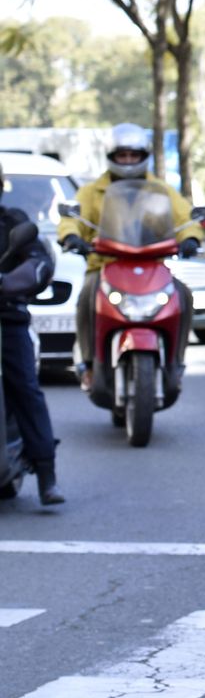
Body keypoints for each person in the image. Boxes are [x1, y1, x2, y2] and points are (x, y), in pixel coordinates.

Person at [56, 124, 203, 387]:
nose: (128, 161)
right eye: (122, 155)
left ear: (143, 155)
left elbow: (185, 218)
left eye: (133, 155)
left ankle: (176, 362)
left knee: (183, 295)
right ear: (112, 157)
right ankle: (89, 364)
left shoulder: (161, 189)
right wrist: (71, 237)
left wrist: (190, 238)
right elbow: (72, 219)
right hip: (105, 265)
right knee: (86, 298)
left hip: (152, 265)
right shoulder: (92, 191)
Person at [0, 163, 64, 506]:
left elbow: (38, 262)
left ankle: (45, 470)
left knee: (24, 385)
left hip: (5, 318)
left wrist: (9, 282)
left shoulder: (13, 221)